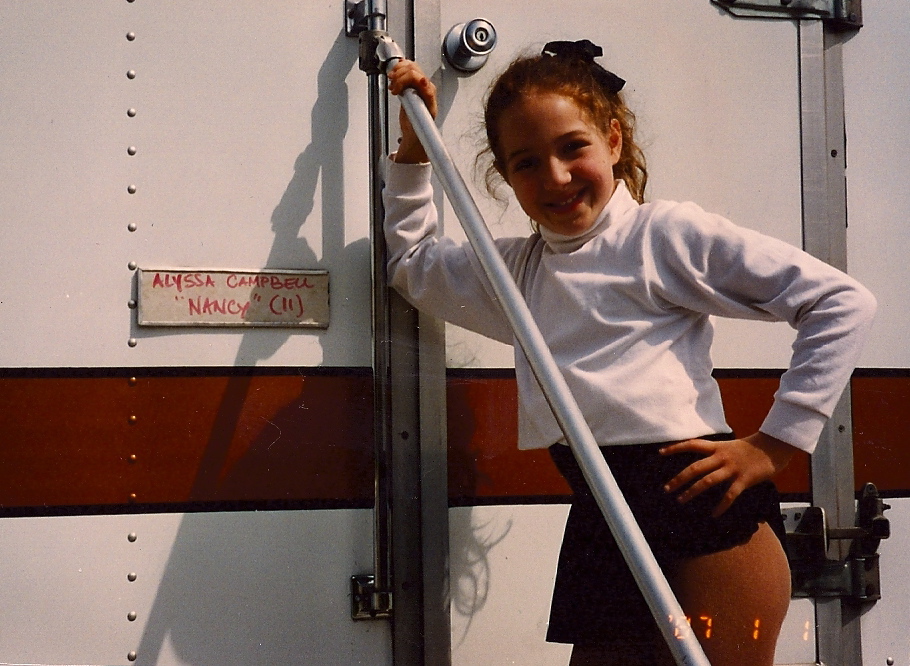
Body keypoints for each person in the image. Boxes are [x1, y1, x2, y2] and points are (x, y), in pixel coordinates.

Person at [383, 40, 876, 666]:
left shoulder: (664, 235)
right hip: (602, 520)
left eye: (573, 147)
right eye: (527, 163)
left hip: (706, 521)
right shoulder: (515, 275)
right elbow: (413, 266)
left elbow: (841, 302)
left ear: (613, 141)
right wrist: (413, 156)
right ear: (505, 177)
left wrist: (774, 444)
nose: (556, 177)